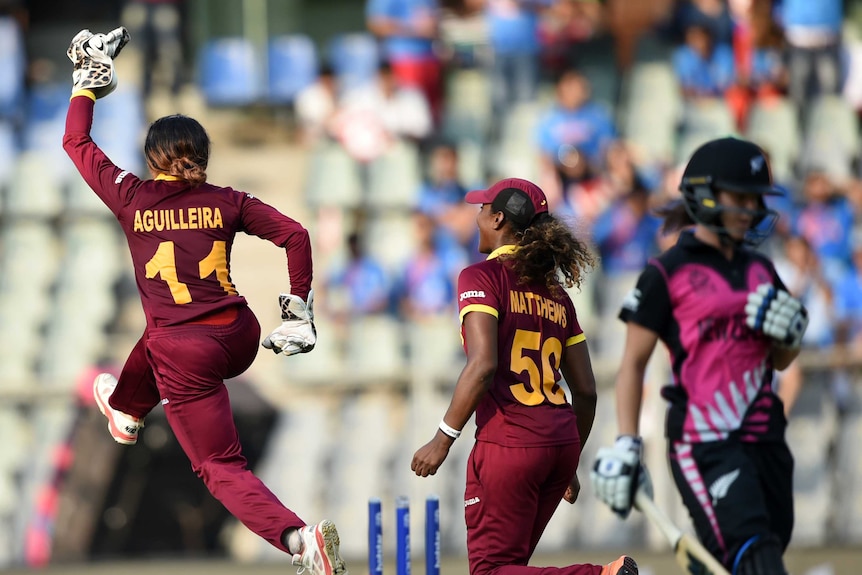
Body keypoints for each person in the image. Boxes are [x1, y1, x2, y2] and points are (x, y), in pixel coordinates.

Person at [62, 28, 347, 575]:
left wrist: (86, 89)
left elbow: (76, 144)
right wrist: (298, 310)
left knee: (218, 466)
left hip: (183, 352)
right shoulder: (227, 201)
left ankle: (297, 539)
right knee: (154, 340)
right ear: (203, 157)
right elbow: (297, 237)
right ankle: (126, 410)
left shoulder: (130, 195)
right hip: (238, 334)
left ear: (152, 159)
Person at [590, 137, 810, 575]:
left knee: (761, 550)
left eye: (756, 197)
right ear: (705, 194)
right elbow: (632, 364)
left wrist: (789, 338)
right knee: (757, 557)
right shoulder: (666, 272)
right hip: (705, 443)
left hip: (766, 437)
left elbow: (781, 361)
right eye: (741, 196)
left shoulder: (761, 269)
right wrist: (629, 442)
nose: (752, 208)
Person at [410, 177, 638, 575]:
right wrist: (569, 463)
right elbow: (585, 391)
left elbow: (482, 366)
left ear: (498, 219)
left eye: (482, 210)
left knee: (491, 571)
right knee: (514, 567)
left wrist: (442, 438)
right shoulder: (557, 294)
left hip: (510, 444)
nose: (476, 216)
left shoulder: (481, 277)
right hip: (562, 441)